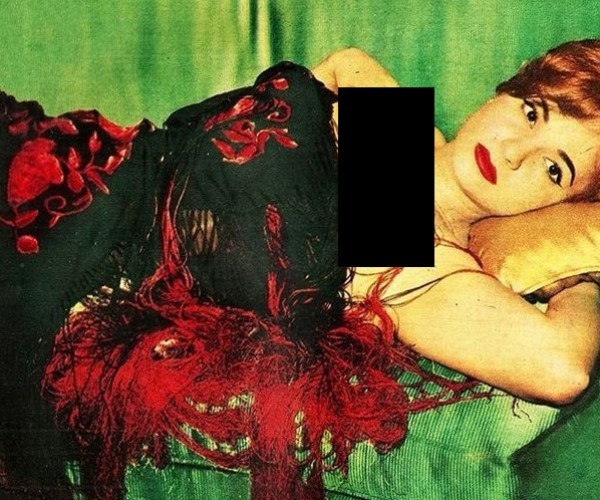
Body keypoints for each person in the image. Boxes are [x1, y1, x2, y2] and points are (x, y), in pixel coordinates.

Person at [3, 40, 600, 499]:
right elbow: (347, 62)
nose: (514, 152)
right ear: (506, 90)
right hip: (75, 165)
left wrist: (578, 273)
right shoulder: (405, 128)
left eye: (555, 170)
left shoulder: (432, 265)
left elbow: (562, 369)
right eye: (532, 112)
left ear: (562, 206)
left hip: (63, 260)